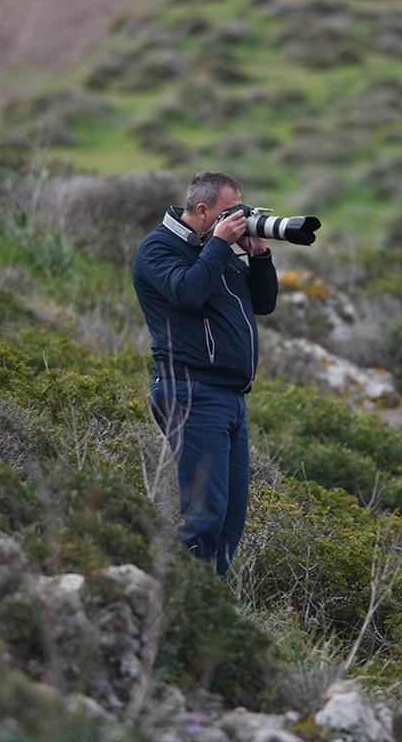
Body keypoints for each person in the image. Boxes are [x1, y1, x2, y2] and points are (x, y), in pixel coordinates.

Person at [132, 171, 278, 577]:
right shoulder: (157, 249)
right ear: (202, 210)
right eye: (232, 212)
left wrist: (259, 253)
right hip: (190, 392)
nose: (239, 219)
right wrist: (218, 245)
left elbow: (263, 303)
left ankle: (211, 607)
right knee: (204, 516)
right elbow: (188, 292)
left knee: (230, 521)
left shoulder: (219, 254)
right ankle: (178, 601)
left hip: (230, 398)